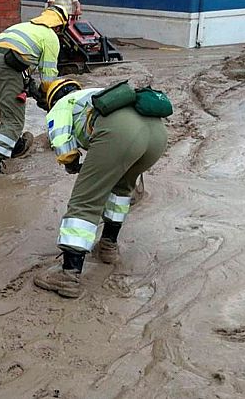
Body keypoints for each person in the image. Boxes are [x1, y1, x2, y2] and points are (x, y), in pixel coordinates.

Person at [32, 79, 168, 298]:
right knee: (121, 191)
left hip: (121, 133)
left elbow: (62, 145)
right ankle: (108, 248)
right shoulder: (95, 94)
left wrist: (72, 164)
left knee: (85, 201)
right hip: (157, 136)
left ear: (52, 99)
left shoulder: (62, 104)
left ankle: (68, 276)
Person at [0, 5, 68, 175]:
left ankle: (14, 145)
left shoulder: (24, 26)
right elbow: (48, 78)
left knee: (8, 110)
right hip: (5, 67)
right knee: (14, 120)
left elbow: (20, 61)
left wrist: (30, 86)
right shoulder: (50, 37)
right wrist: (48, 99)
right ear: (58, 27)